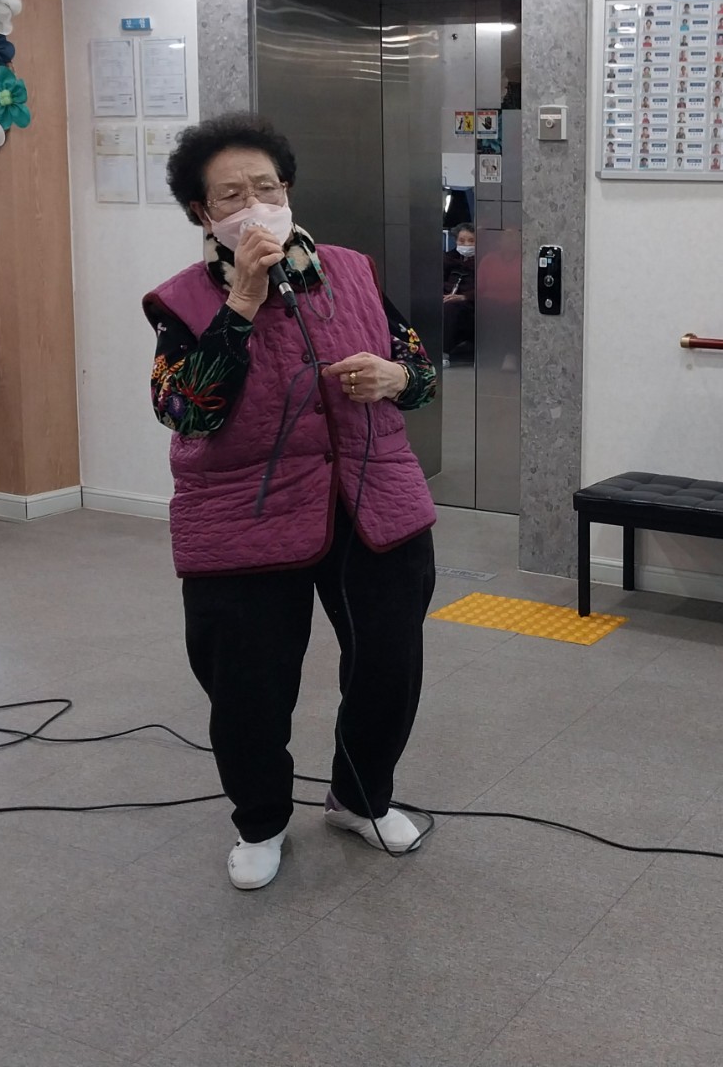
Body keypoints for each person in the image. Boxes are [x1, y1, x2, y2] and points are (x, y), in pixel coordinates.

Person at [143, 113, 438, 891]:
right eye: (232, 196)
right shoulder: (182, 302)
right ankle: (261, 821)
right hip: (242, 514)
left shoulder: (351, 271)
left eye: (267, 188)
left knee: (389, 664)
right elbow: (185, 411)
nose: (256, 206)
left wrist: (397, 378)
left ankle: (360, 797)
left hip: (373, 498)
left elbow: (419, 369)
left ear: (289, 191)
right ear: (202, 213)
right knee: (249, 684)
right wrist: (241, 302)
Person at [442, 223, 477, 362]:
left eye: (471, 241)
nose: (466, 245)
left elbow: (488, 288)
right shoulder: (448, 259)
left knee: (450, 309)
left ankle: (443, 351)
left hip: (470, 303)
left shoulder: (484, 260)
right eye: (461, 241)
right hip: (447, 298)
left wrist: (465, 297)